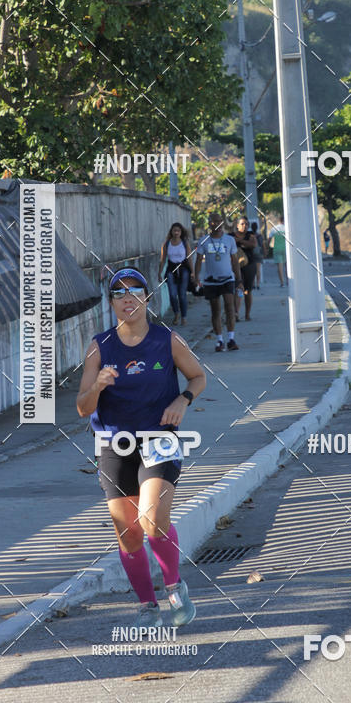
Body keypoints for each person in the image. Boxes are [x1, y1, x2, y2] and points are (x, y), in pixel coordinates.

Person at [76, 268, 206, 629]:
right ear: (112, 302)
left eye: (135, 291)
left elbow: (198, 375)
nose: (127, 297)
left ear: (147, 298)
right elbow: (83, 408)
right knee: (129, 532)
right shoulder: (99, 347)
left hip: (160, 439)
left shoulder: (168, 340)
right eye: (119, 293)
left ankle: (175, 588)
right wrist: (98, 385)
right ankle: (147, 607)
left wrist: (182, 400)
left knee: (152, 519)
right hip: (114, 444)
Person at [195, 212, 243, 351]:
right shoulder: (203, 240)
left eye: (219, 221)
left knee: (230, 307)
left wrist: (238, 279)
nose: (216, 223)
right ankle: (219, 340)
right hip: (210, 281)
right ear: (209, 222)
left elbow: (235, 261)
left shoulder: (229, 240)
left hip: (227, 278)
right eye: (213, 221)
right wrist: (196, 277)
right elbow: (198, 260)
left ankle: (231, 339)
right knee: (215, 310)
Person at [159, 222, 194, 326]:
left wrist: (193, 272)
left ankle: (184, 317)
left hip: (183, 270)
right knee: (173, 295)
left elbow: (190, 258)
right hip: (171, 270)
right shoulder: (166, 244)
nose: (176, 233)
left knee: (182, 295)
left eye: (178, 231)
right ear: (171, 232)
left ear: (181, 232)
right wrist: (159, 273)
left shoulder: (184, 243)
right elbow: (162, 259)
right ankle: (176, 313)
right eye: (174, 230)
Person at [234, 216, 257, 320]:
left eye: (247, 224)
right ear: (237, 225)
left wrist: (239, 241)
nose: (245, 226)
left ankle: (247, 314)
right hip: (235, 266)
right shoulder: (230, 236)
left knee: (247, 290)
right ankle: (236, 314)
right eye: (242, 224)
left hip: (249, 265)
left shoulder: (250, 235)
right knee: (238, 288)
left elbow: (253, 245)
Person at [268, 214, 287, 286]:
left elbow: (269, 239)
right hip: (286, 249)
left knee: (280, 266)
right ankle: (288, 281)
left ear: (279, 221)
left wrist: (267, 247)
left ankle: (282, 282)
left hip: (277, 249)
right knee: (287, 266)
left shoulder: (274, 229)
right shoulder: (287, 228)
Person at [250, 220, 265, 289]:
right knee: (258, 269)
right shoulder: (259, 236)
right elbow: (262, 245)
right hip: (259, 253)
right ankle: (258, 284)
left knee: (252, 269)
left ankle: (253, 284)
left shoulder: (250, 235)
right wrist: (264, 252)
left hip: (251, 254)